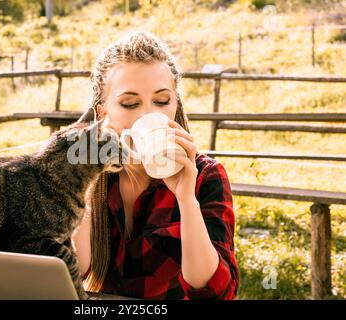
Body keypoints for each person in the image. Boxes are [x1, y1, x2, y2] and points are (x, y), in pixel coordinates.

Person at [71, 31, 239, 300]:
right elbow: (73, 270)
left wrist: (186, 199)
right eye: (130, 103)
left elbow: (214, 291)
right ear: (103, 114)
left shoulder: (205, 176)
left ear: (175, 104)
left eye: (162, 101)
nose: (149, 114)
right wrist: (86, 182)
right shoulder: (96, 178)